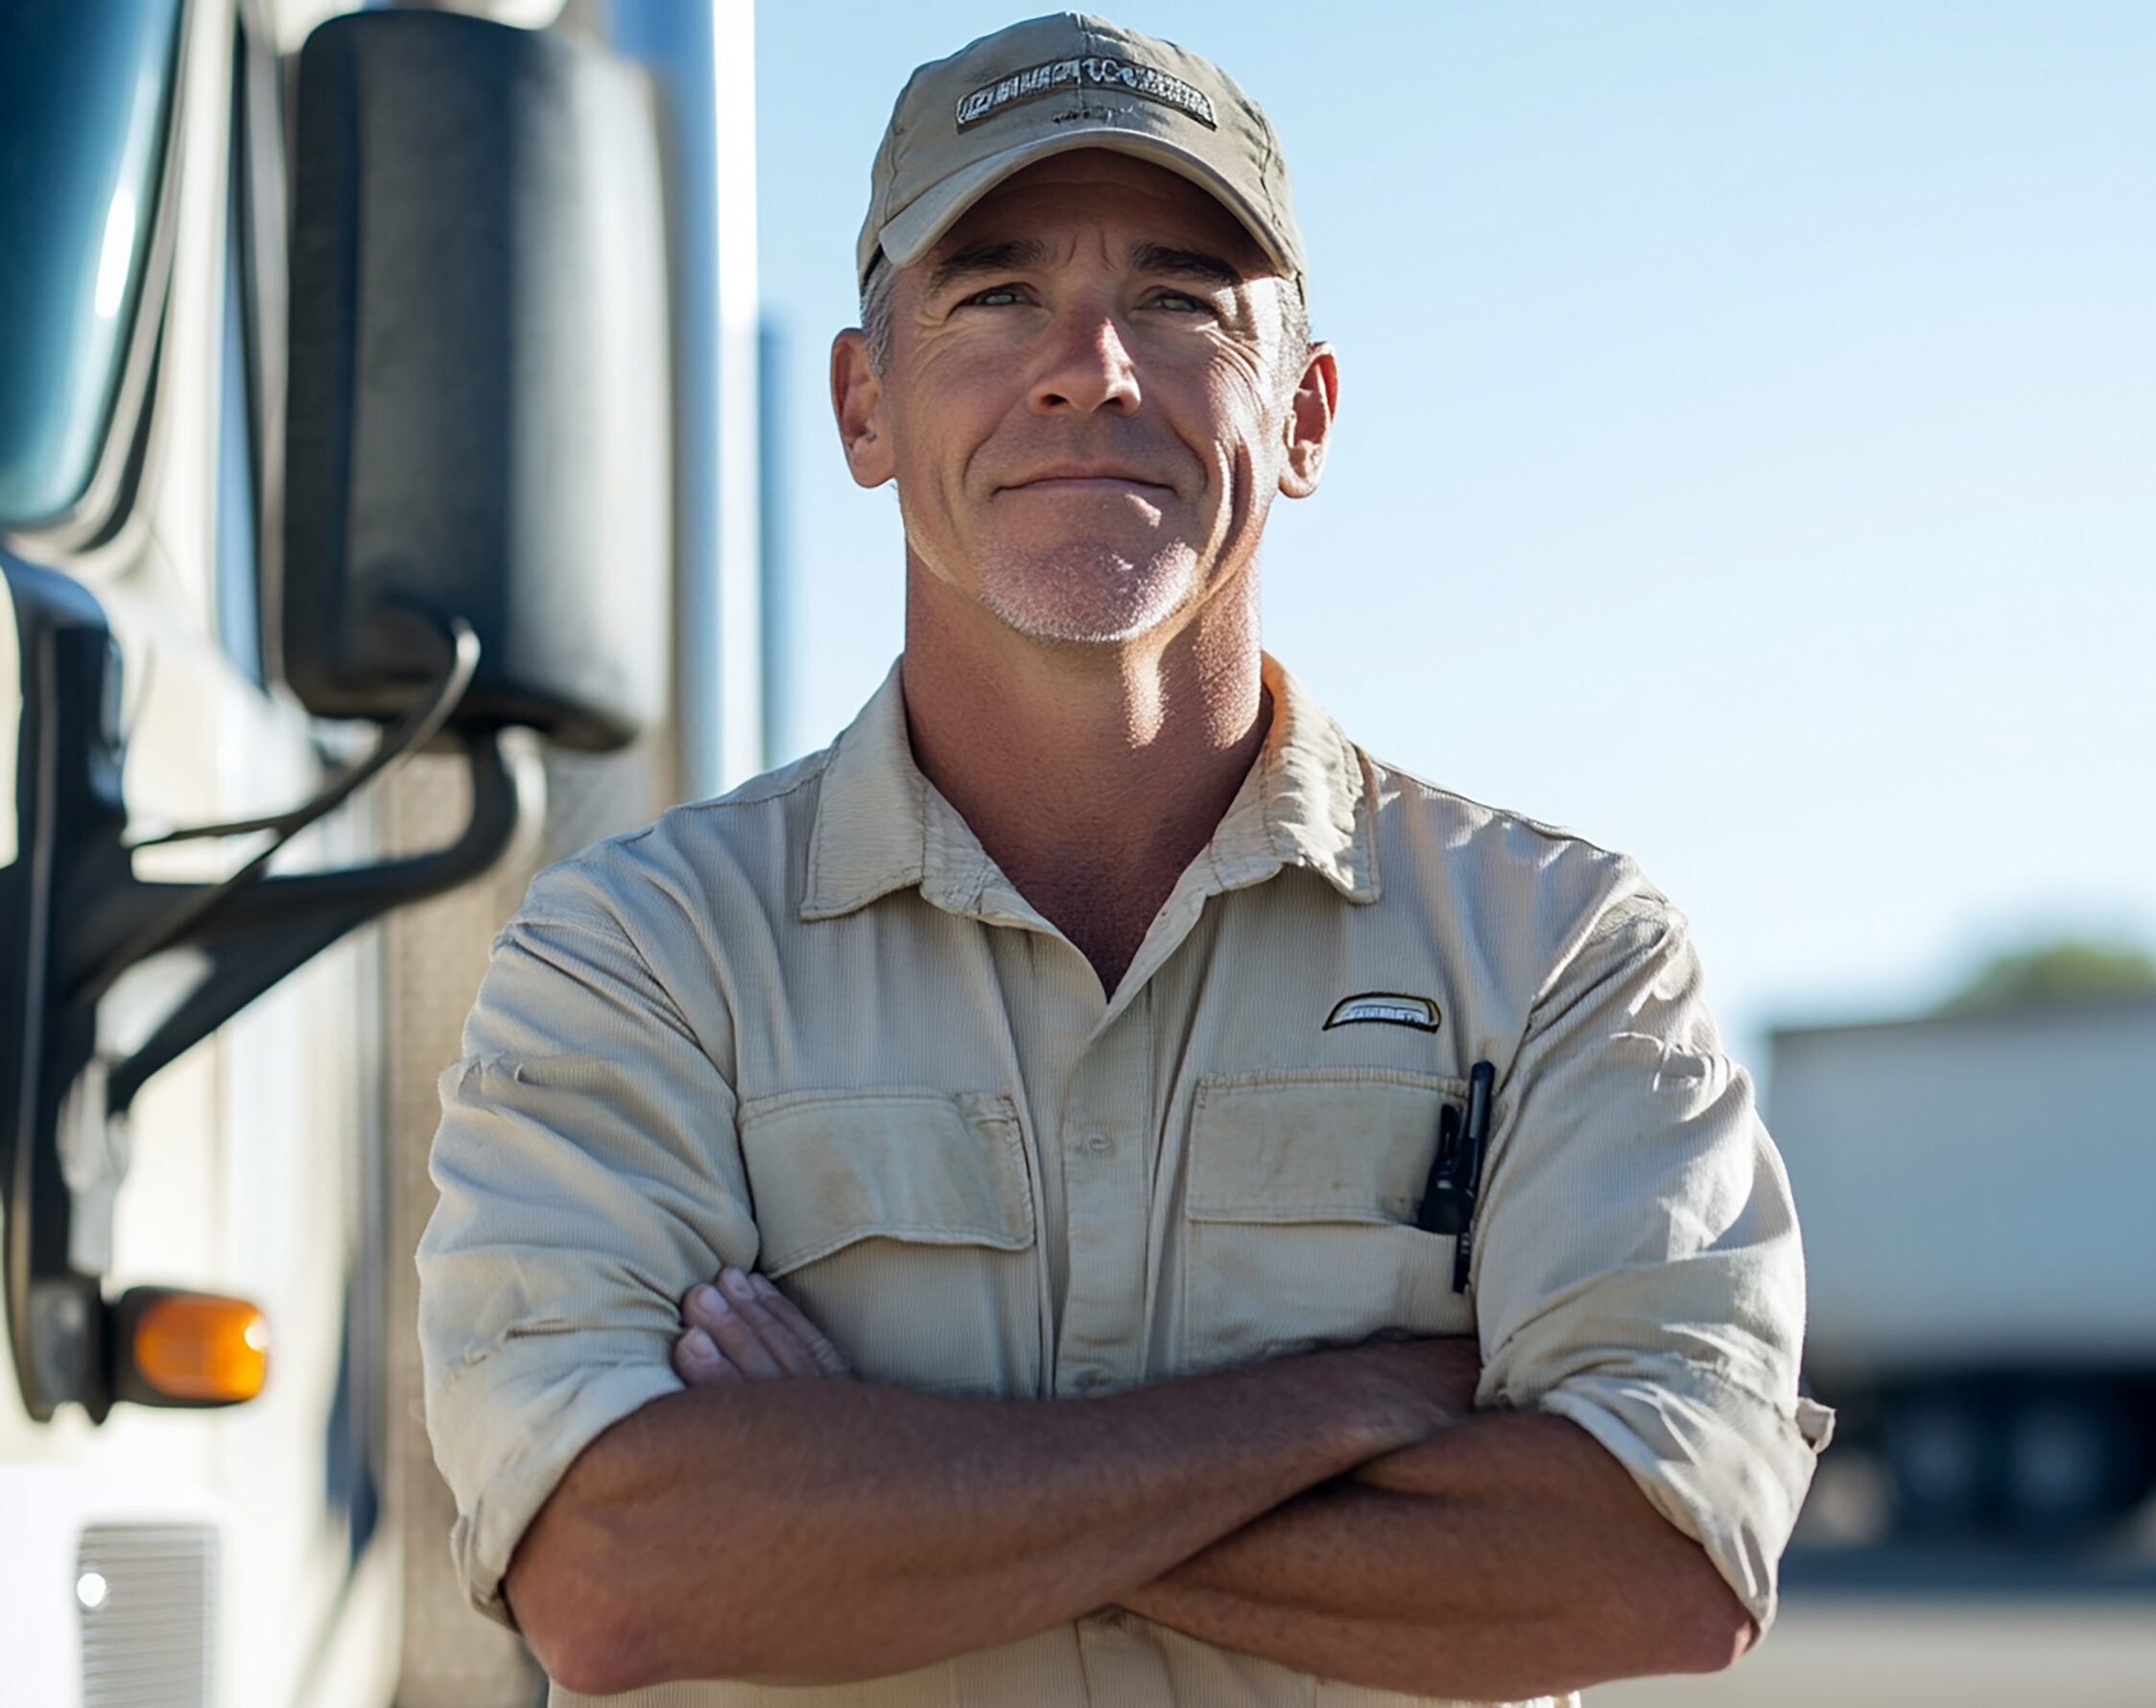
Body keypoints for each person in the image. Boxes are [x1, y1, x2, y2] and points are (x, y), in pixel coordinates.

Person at [418, 13, 1830, 1705]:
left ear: (1304, 416)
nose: (1089, 366)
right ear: (864, 406)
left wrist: (860, 1484)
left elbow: (1650, 1565)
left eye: (1181, 300)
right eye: (995, 294)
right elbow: (618, 1569)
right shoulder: (641, 956)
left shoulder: (1561, 949)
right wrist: (1356, 1403)